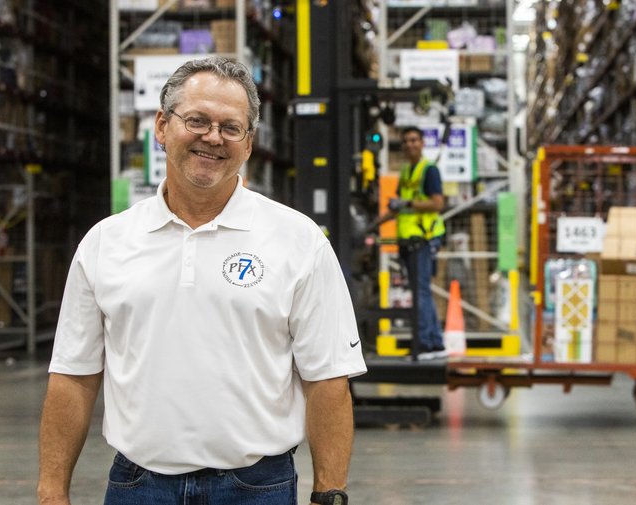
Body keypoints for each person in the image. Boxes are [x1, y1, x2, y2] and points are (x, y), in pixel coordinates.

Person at [37, 56, 366, 505]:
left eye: (231, 128)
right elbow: (74, 375)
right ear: (161, 126)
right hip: (138, 486)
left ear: (248, 145)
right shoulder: (106, 243)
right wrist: (51, 491)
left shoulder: (298, 240)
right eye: (197, 120)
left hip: (258, 487)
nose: (213, 137)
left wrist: (330, 493)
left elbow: (327, 378)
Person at [375, 126, 447, 360]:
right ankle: (435, 344)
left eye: (414, 140)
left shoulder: (429, 170)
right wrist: (373, 224)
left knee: (421, 293)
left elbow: (437, 204)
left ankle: (425, 344)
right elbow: (397, 207)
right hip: (408, 239)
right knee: (420, 291)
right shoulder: (406, 172)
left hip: (423, 239)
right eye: (405, 141)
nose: (410, 145)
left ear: (423, 143)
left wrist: (406, 204)